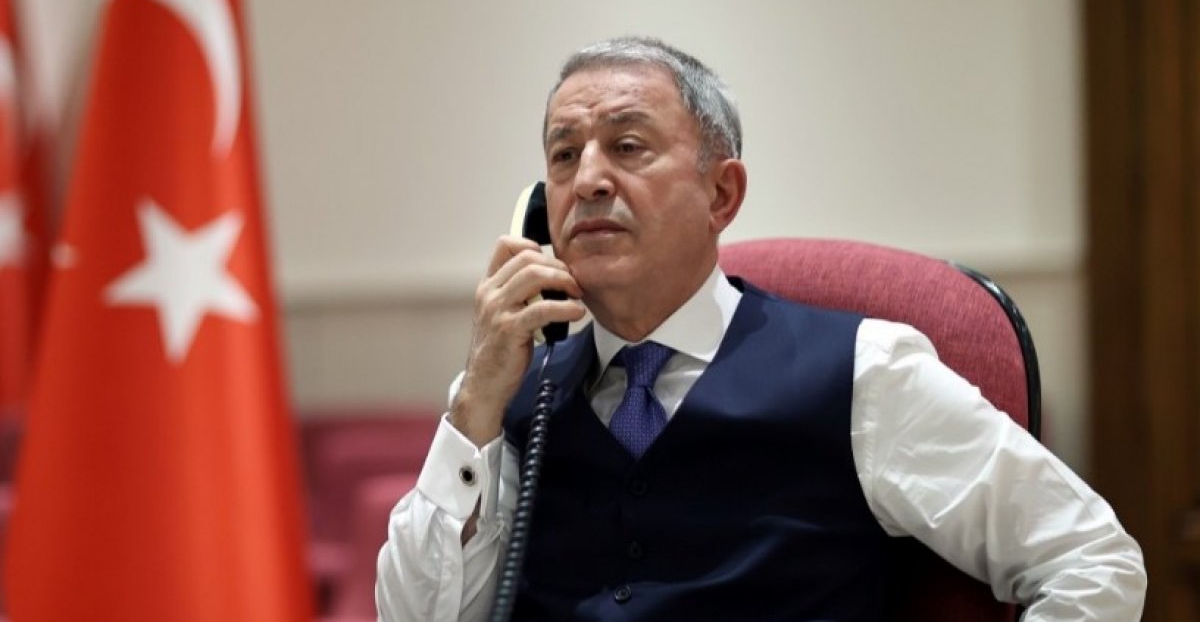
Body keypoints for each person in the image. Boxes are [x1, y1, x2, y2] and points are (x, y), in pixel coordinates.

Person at [376, 36, 1146, 621]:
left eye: (628, 146)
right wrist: (474, 405)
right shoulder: (512, 397)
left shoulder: (863, 372)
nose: (589, 179)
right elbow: (412, 614)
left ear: (721, 194)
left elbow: (1092, 558)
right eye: (564, 153)